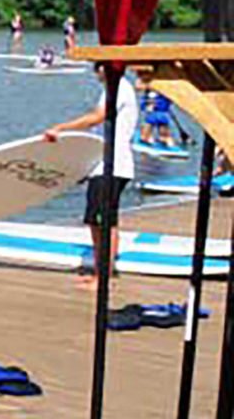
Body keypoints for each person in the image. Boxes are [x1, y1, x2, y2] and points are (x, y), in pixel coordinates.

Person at [44, 68, 138, 282]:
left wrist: (61, 128)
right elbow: (98, 131)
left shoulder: (119, 88)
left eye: (98, 68)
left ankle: (103, 277)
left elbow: (97, 117)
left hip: (114, 166)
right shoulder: (112, 90)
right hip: (102, 166)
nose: (96, 73)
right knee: (95, 221)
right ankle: (99, 272)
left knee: (105, 221)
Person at [136, 78, 176, 148]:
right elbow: (138, 86)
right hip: (156, 112)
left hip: (159, 112)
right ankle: (163, 141)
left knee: (160, 132)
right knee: (159, 130)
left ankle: (165, 142)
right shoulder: (149, 85)